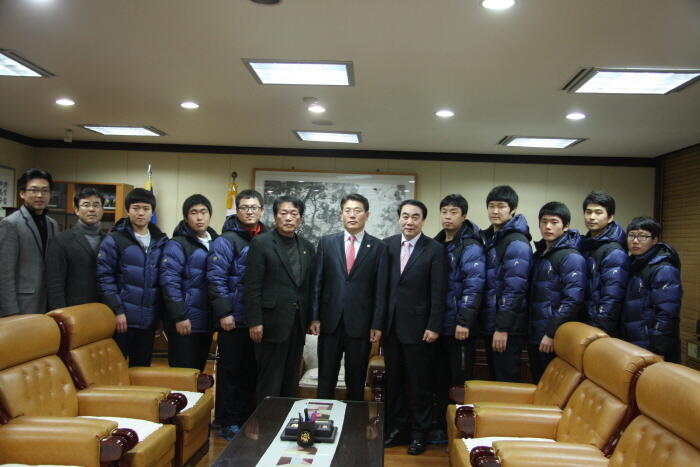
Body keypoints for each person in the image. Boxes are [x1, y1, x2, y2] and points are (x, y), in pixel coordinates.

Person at [309, 193, 388, 401]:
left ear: (367, 215)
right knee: (326, 379)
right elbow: (317, 283)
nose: (352, 215)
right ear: (341, 215)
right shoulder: (326, 243)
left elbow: (380, 290)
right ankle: (322, 418)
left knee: (356, 381)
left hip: (361, 324)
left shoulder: (378, 247)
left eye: (357, 211)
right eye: (348, 211)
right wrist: (315, 317)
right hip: (329, 322)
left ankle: (353, 420)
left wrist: (377, 324)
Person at [382, 200, 446, 456]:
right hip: (391, 328)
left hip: (420, 330)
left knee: (419, 384)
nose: (409, 222)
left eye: (415, 217)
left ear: (423, 220)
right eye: (405, 216)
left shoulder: (435, 250)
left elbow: (439, 292)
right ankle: (397, 430)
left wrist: (434, 325)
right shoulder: (387, 245)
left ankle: (419, 434)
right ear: (399, 218)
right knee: (394, 382)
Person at [207, 189, 268, 439]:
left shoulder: (267, 237)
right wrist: (224, 312)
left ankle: (244, 419)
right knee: (230, 371)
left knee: (251, 372)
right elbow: (216, 278)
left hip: (256, 319)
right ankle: (226, 420)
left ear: (261, 210)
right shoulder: (226, 240)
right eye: (244, 207)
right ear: (237, 210)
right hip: (232, 319)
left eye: (254, 207)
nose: (249, 212)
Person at [244, 195, 315, 403]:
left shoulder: (307, 246)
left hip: (297, 323)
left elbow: (308, 287)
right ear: (275, 216)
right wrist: (255, 321)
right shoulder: (261, 243)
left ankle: (286, 419)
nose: (288, 218)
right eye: (283, 213)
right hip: (270, 323)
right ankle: (265, 421)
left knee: (291, 379)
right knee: (270, 380)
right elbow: (252, 285)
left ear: (300, 218)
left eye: (294, 213)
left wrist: (311, 319)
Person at [430, 194, 485, 444]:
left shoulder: (470, 246)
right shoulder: (437, 243)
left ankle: (461, 433)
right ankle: (441, 428)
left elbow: (474, 286)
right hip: (439, 326)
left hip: (459, 328)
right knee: (439, 379)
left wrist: (464, 321)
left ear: (463, 216)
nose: (448, 216)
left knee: (459, 383)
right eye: (444, 211)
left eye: (453, 212)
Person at [96, 188, 168, 367]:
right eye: (136, 208)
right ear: (128, 210)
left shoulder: (161, 241)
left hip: (148, 321)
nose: (140, 213)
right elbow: (105, 278)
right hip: (122, 319)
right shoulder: (114, 239)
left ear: (152, 212)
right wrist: (117, 311)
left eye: (145, 208)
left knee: (142, 369)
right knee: (114, 368)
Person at [528, 201, 586, 383]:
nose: (548, 227)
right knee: (538, 384)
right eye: (544, 222)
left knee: (552, 386)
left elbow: (572, 299)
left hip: (553, 336)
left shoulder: (571, 257)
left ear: (566, 226)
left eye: (554, 222)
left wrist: (551, 333)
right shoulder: (539, 255)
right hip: (535, 333)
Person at [160, 194, 218, 372]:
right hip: (185, 321)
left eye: (203, 212)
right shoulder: (177, 244)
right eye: (194, 213)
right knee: (182, 374)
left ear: (210, 215)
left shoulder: (217, 242)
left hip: (206, 321)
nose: (199, 217)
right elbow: (170, 282)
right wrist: (179, 316)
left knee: (198, 372)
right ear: (186, 217)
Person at [480, 186, 532, 382]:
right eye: (491, 206)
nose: (495, 211)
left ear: (513, 210)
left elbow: (514, 289)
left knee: (505, 381)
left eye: (501, 206)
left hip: (508, 328)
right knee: (495, 379)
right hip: (492, 323)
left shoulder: (516, 242)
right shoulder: (491, 238)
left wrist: (502, 328)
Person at [621, 217, 682, 362]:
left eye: (642, 236)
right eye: (632, 235)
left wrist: (659, 349)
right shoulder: (632, 264)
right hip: (633, 342)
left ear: (654, 240)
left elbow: (667, 314)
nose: (635, 241)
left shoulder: (664, 269)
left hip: (652, 347)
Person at [0, 168, 58, 317]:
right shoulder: (10, 224)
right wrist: (11, 313)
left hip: (48, 303)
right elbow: (5, 273)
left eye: (45, 191)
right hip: (22, 305)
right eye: (34, 190)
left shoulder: (52, 224)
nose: (40, 195)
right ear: (22, 193)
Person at [46, 187, 105, 310]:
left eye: (96, 205)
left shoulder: (109, 241)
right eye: (86, 205)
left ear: (102, 210)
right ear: (77, 210)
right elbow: (55, 284)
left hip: (103, 308)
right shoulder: (61, 240)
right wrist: (60, 314)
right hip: (73, 309)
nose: (91, 209)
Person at [580, 191, 629, 336]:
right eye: (588, 212)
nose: (591, 217)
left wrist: (599, 331)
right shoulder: (587, 244)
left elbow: (612, 297)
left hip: (599, 329)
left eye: (598, 212)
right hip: (585, 323)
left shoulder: (614, 251)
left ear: (610, 217)